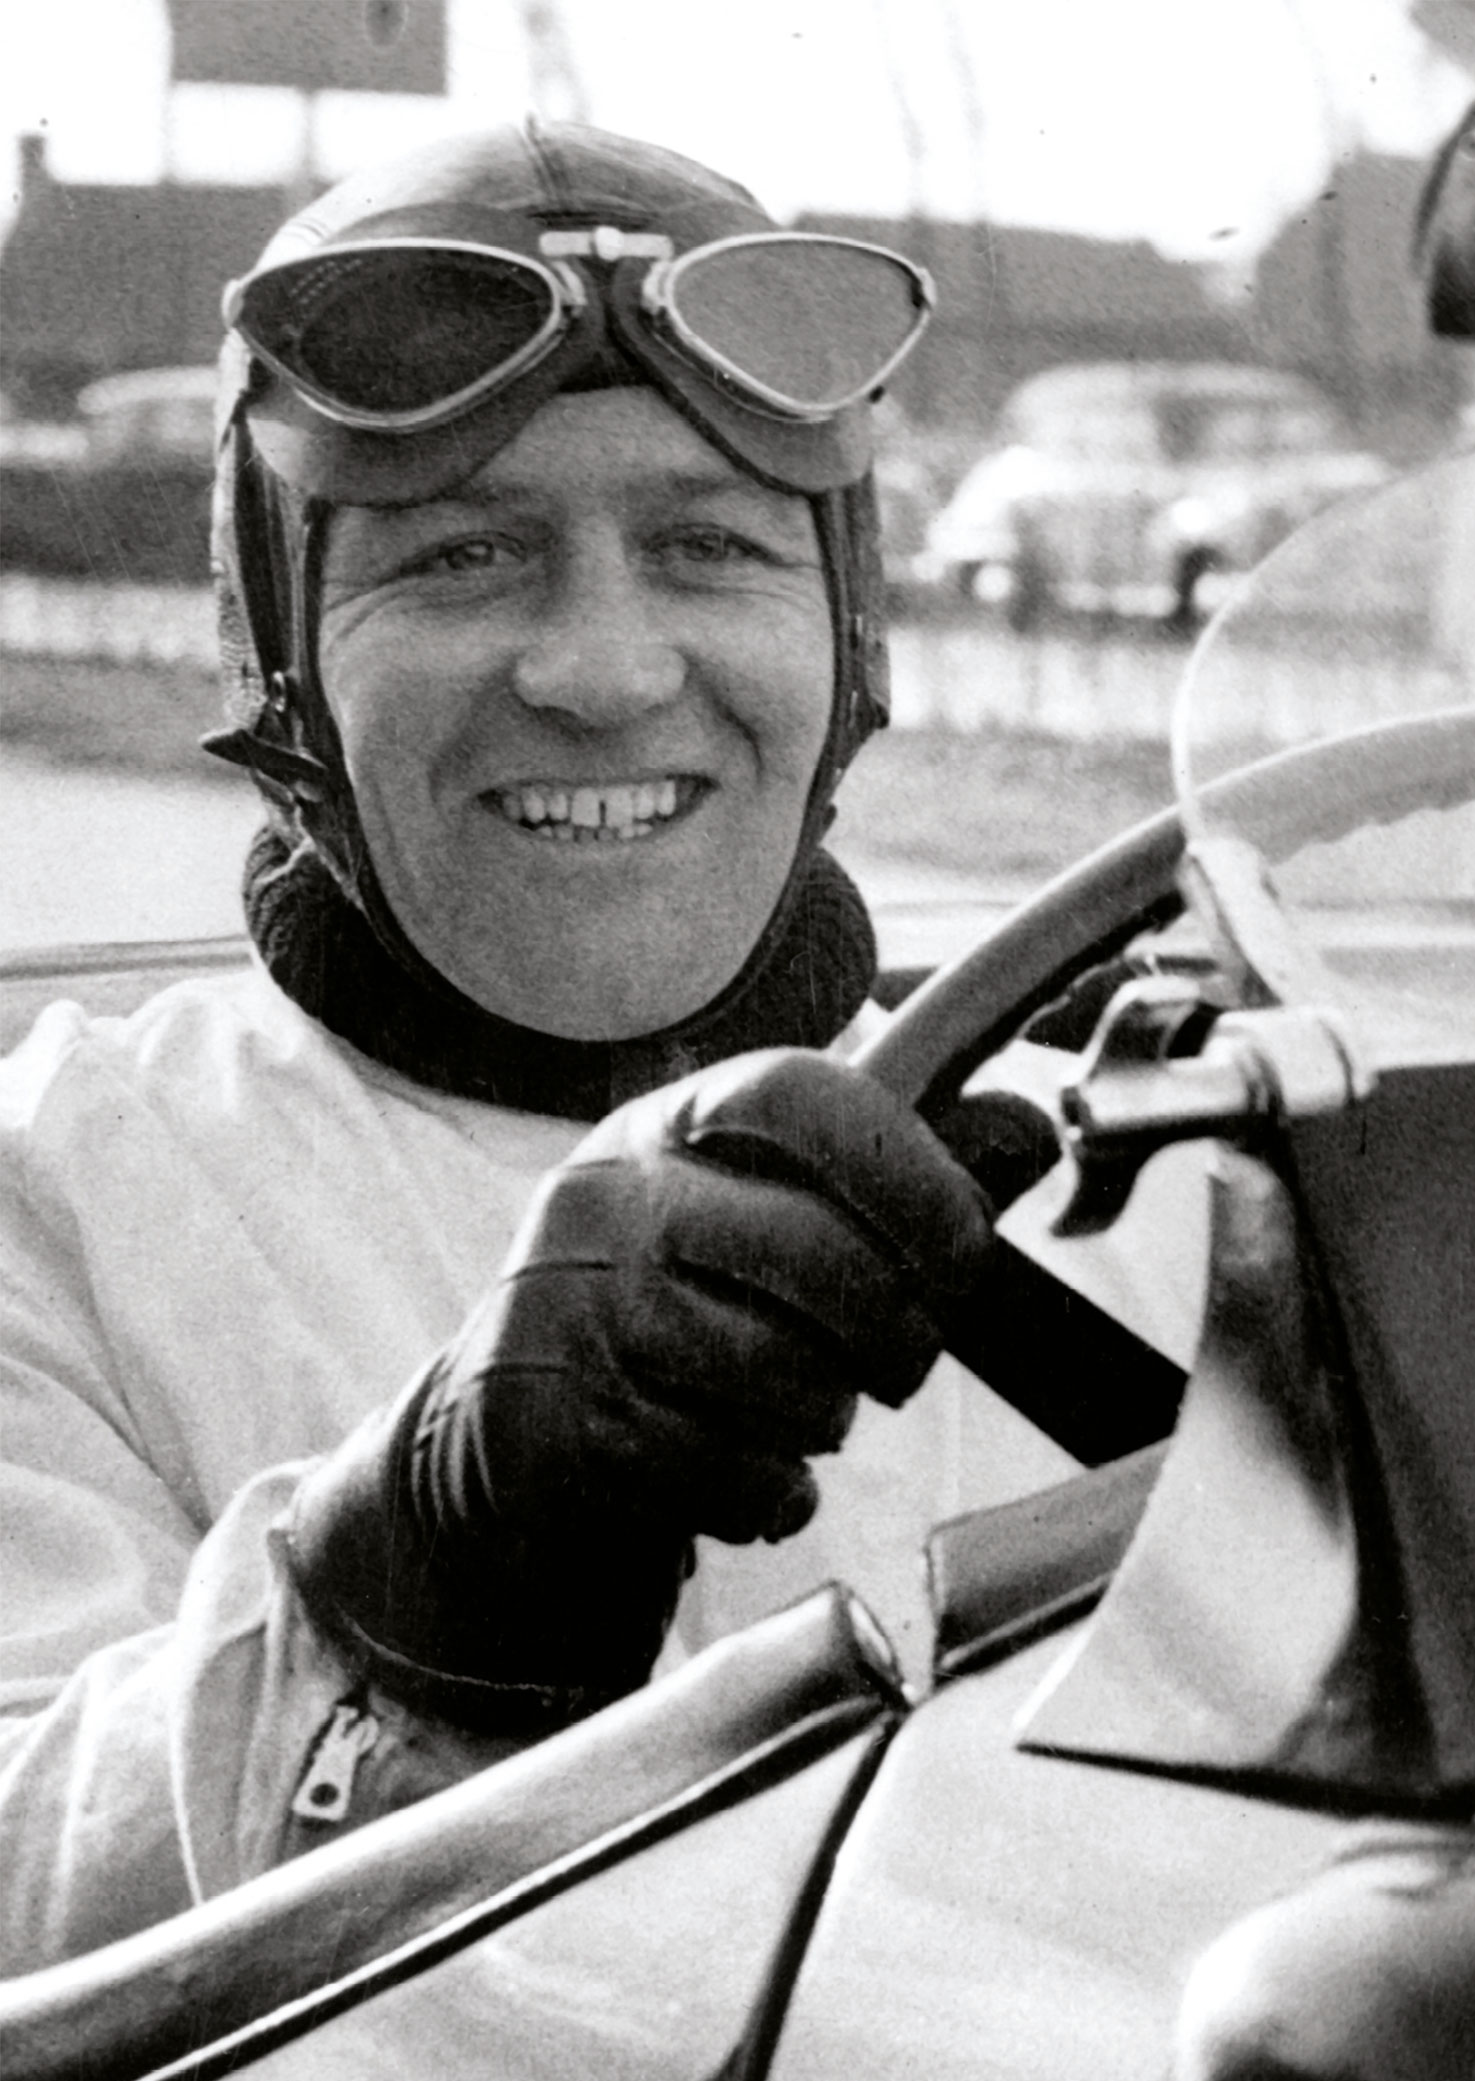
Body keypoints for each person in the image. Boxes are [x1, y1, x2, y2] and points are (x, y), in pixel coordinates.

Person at [0, 119, 1079, 1974]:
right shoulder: (60, 1187)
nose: (605, 669)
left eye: (709, 546)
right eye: (463, 555)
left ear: (849, 636)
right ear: (283, 656)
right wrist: (401, 1580)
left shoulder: (1144, 1155)